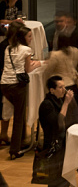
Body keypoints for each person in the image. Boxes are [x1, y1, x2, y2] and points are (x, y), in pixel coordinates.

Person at [0, 22, 39, 158]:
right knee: (18, 117)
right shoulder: (27, 50)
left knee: (15, 113)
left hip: (4, 85)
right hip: (17, 86)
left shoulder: (8, 48)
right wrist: (38, 64)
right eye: (29, 36)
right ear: (23, 37)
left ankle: (19, 141)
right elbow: (28, 69)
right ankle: (15, 150)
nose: (31, 39)